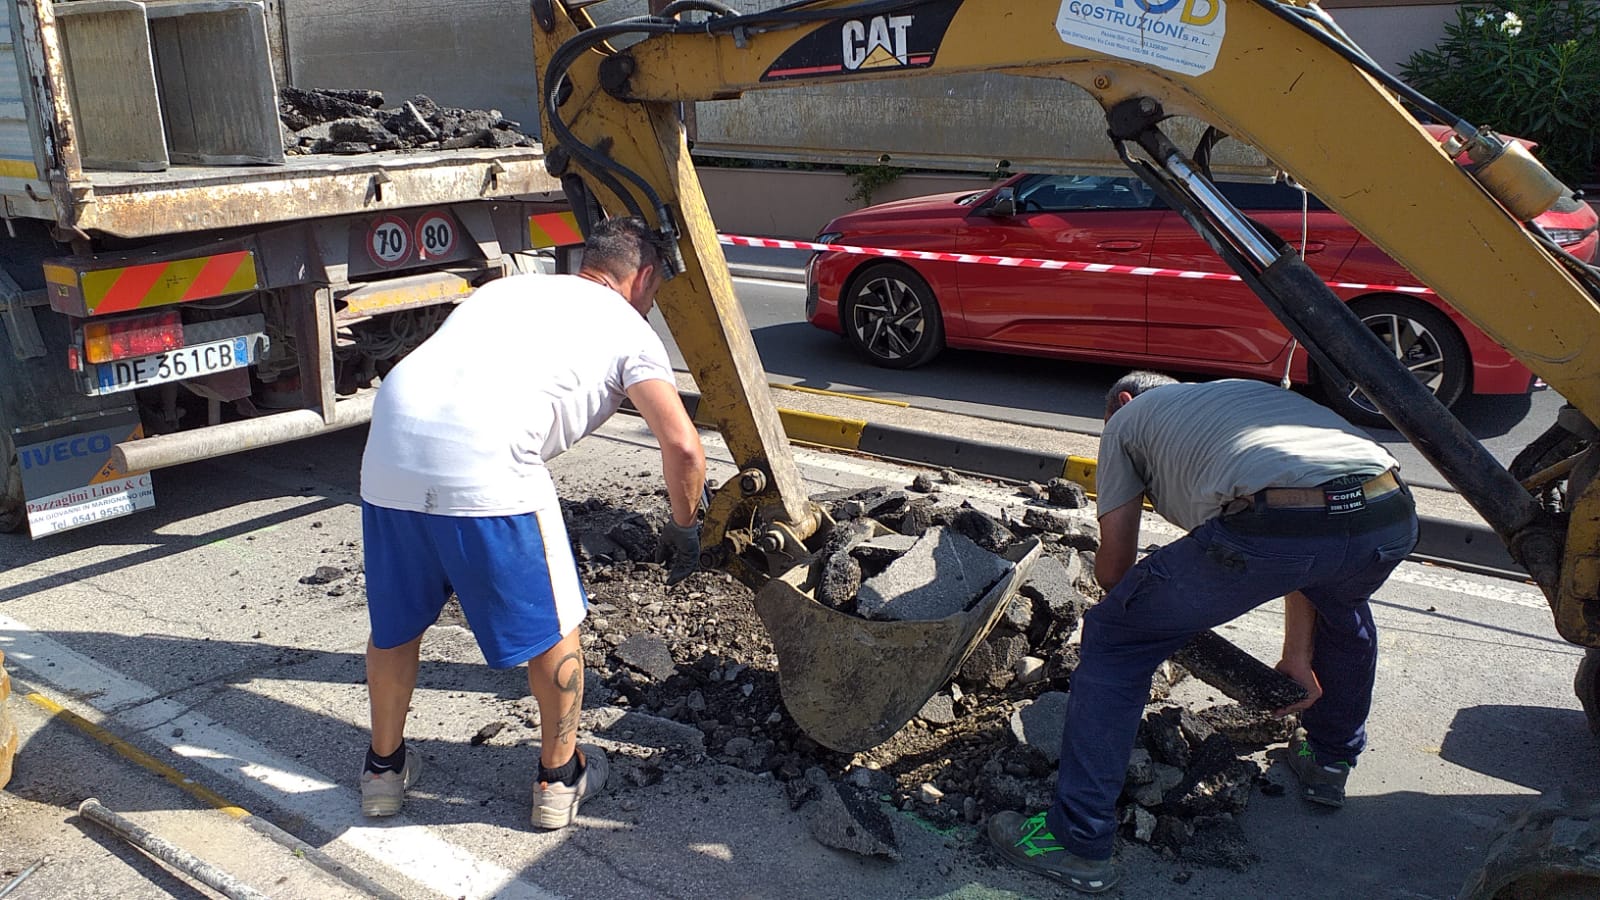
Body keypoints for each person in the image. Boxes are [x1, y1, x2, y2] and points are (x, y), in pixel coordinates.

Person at [988, 372, 1418, 893]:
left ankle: (1075, 841)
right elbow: (1311, 553)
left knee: (1114, 640)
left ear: (1122, 402)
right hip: (1389, 511)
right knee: (1342, 606)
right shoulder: (1235, 396)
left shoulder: (1126, 420)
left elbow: (1116, 570)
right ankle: (1329, 760)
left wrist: (1156, 619)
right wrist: (1296, 658)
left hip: (1280, 522)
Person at [356, 216, 706, 828]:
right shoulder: (628, 326)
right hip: (489, 462)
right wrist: (684, 530)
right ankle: (558, 779)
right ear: (643, 277)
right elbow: (683, 448)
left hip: (390, 447)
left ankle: (382, 771)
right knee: (555, 628)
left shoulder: (507, 288)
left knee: (395, 625)